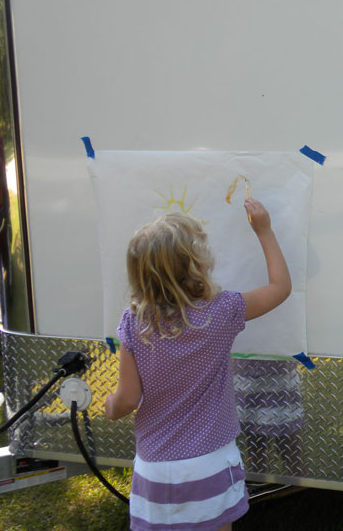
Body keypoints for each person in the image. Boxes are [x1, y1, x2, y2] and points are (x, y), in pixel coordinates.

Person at [104, 198, 291, 531]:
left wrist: (110, 406)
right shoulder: (221, 313)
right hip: (212, 462)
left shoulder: (134, 323)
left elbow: (127, 400)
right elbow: (280, 288)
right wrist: (264, 230)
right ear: (196, 265)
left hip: (155, 467)